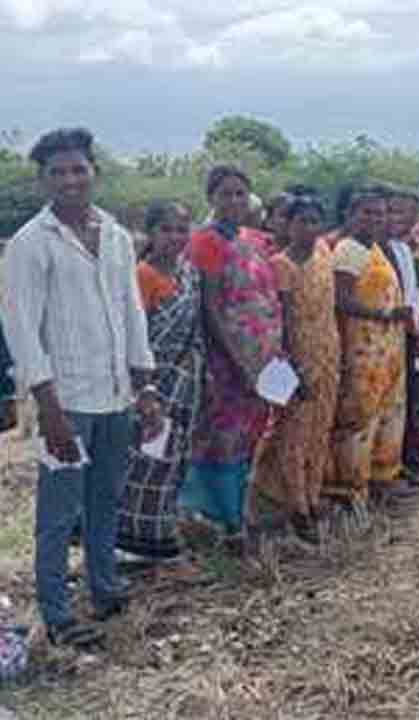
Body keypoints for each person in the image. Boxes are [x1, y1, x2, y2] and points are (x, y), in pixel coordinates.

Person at [3, 128, 163, 648]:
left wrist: (146, 385)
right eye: (58, 172)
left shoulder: (115, 235)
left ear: (94, 171)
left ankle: (105, 586)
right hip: (66, 401)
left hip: (116, 395)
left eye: (78, 169)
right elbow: (22, 329)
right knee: (58, 512)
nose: (70, 180)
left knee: (106, 500)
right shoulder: (31, 243)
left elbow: (131, 311)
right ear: (43, 181)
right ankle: (57, 611)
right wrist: (48, 409)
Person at [183, 166, 285, 547]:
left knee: (255, 432)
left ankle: (245, 511)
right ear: (211, 199)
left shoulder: (257, 240)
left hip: (264, 358)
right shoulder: (204, 243)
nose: (234, 202)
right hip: (226, 361)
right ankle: (220, 519)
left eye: (241, 194)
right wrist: (238, 361)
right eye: (226, 194)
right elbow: (210, 309)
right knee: (223, 436)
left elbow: (270, 298)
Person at [116, 200, 204, 563]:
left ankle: (159, 534)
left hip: (186, 383)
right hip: (153, 385)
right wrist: (145, 388)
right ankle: (131, 541)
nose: (175, 237)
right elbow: (135, 337)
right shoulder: (142, 275)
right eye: (166, 229)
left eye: (182, 229)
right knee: (147, 458)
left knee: (174, 459)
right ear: (151, 233)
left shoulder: (189, 273)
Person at [252, 195, 340, 541]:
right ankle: (297, 506)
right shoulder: (280, 265)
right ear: (286, 225)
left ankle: (314, 495)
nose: (309, 228)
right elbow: (283, 318)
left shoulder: (323, 254)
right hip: (298, 355)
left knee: (321, 429)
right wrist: (293, 367)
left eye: (314, 221)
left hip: (329, 349)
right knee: (294, 432)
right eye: (301, 221)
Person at [330, 186, 411, 507]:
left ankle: (382, 477)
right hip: (362, 348)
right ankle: (350, 487)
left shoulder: (377, 249)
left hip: (387, 347)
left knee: (388, 413)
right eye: (367, 212)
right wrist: (385, 314)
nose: (375, 219)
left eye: (380, 212)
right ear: (350, 215)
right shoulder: (347, 250)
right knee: (359, 418)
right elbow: (341, 299)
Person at [384, 186, 419, 476]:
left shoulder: (406, 248)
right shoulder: (380, 249)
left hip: (410, 330)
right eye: (394, 211)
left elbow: (414, 293)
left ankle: (406, 458)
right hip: (385, 333)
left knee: (410, 396)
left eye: (407, 212)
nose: (400, 218)